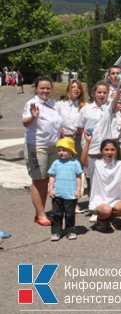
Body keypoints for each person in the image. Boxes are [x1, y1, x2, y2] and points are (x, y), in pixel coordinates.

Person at [23, 76, 62, 226]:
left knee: (47, 179)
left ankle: (42, 211)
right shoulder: (32, 103)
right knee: (39, 179)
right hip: (37, 146)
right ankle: (40, 214)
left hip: (53, 146)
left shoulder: (53, 104)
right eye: (42, 88)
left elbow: (57, 123)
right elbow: (25, 123)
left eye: (48, 88)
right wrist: (33, 117)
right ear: (36, 89)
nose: (45, 91)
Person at [82, 134, 121, 233]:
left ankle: (105, 220)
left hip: (115, 200)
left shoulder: (120, 164)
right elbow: (83, 160)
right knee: (106, 210)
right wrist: (88, 142)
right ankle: (101, 219)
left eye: (112, 149)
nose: (109, 152)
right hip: (99, 201)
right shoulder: (95, 163)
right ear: (101, 151)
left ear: (116, 151)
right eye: (106, 150)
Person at [47, 138, 83, 241]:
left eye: (64, 150)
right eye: (59, 150)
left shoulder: (75, 163)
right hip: (57, 193)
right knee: (56, 214)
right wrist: (50, 189)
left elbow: (78, 177)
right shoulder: (56, 163)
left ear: (71, 151)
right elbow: (52, 176)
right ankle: (56, 232)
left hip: (70, 194)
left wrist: (78, 190)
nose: (61, 152)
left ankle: (70, 230)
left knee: (70, 214)